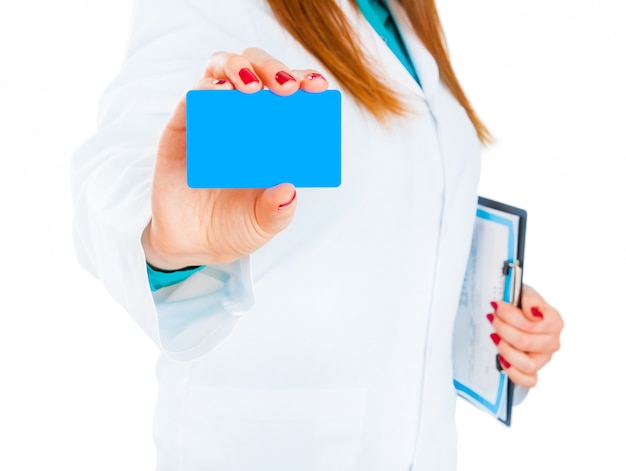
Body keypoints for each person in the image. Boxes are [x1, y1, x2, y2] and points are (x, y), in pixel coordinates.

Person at [71, 0, 564, 469]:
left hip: (428, 448)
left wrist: (491, 314)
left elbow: (399, 217)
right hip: (264, 448)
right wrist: (169, 237)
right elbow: (121, 160)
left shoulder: (402, 19)